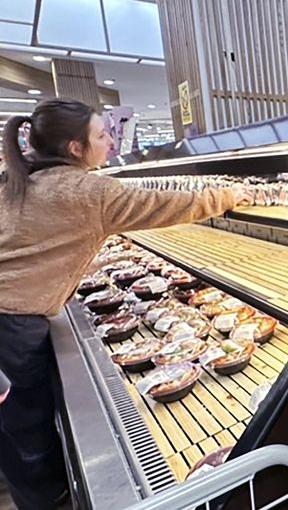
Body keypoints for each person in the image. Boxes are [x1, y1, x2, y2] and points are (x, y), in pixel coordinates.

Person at [0, 98, 249, 510]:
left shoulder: (18, 177)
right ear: (76, 148)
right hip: (13, 327)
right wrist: (231, 194)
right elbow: (167, 205)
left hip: (11, 320)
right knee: (27, 434)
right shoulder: (86, 189)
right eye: (101, 134)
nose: (110, 141)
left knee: (16, 432)